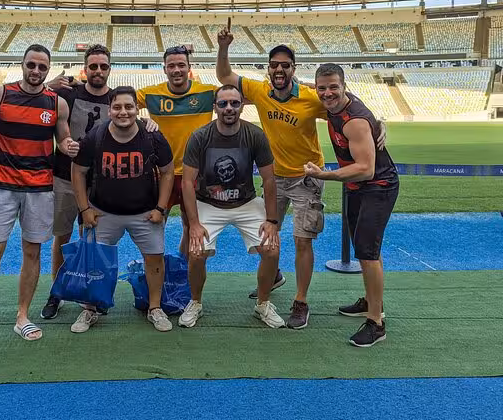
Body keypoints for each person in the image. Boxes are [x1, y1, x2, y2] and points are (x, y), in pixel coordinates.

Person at [216, 29, 384, 329]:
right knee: (266, 239)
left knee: (302, 241)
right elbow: (225, 75)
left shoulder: (311, 96)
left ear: (293, 69)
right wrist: (224, 47)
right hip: (274, 179)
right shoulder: (258, 91)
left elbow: (344, 101)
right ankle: (274, 276)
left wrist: (374, 121)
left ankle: (301, 300)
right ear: (269, 68)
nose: (279, 69)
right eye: (274, 65)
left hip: (307, 177)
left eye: (286, 65)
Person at [136, 46, 285, 288]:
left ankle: (183, 278)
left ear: (189, 68)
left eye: (181, 65)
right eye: (171, 65)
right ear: (164, 68)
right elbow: (120, 103)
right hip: (161, 173)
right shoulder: (151, 94)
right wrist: (143, 119)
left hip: (194, 175)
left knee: (190, 227)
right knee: (155, 228)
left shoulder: (207, 93)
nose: (176, 70)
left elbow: (253, 97)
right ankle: (155, 277)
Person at [0, 44, 78, 354]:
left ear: (48, 69)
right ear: (23, 65)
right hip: (2, 186)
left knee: (33, 252)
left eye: (42, 66)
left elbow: (63, 137)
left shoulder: (57, 103)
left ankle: (22, 316)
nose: (36, 71)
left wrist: (68, 146)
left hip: (40, 189)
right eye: (32, 65)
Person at [39, 44, 158, 320]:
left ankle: (91, 294)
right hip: (66, 175)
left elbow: (130, 117)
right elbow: (31, 95)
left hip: (101, 179)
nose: (98, 71)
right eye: (93, 66)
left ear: (109, 69)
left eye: (103, 66)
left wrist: (150, 124)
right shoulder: (69, 93)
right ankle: (57, 292)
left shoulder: (115, 100)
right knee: (63, 236)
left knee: (91, 240)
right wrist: (48, 84)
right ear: (85, 67)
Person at [304, 63, 398, 347]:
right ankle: (373, 302)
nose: (327, 93)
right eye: (322, 87)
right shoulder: (335, 103)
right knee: (366, 249)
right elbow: (316, 87)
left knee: (367, 253)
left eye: (334, 87)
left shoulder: (353, 120)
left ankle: (376, 324)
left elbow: (366, 169)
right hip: (359, 188)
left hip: (376, 186)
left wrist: (325, 174)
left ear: (344, 86)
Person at [70, 86, 175, 333]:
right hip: (103, 211)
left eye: (129, 106)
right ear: (110, 109)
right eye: (117, 107)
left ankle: (155, 307)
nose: (123, 112)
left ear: (137, 109)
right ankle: (90, 309)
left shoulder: (152, 137)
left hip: (144, 211)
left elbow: (168, 170)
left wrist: (161, 207)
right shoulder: (96, 136)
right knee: (93, 260)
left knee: (154, 259)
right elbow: (78, 171)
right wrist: (84, 208)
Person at [180, 85, 282, 329]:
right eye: (223, 103)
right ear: (215, 107)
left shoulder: (254, 135)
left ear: (242, 106)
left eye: (234, 103)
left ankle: (263, 303)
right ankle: (195, 302)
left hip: (246, 202)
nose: (229, 108)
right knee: (195, 251)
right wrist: (193, 224)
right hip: (209, 202)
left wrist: (272, 221)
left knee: (272, 249)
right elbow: (187, 181)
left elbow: (269, 179)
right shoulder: (200, 136)